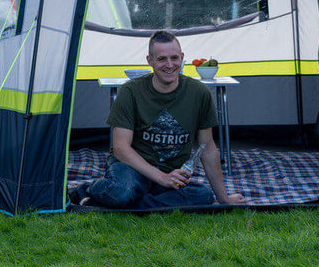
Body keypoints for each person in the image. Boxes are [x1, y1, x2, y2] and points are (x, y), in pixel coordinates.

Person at [70, 30, 246, 209]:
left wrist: (224, 198)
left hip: (170, 175)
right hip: (132, 169)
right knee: (122, 192)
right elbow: (120, 149)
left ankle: (134, 203)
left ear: (182, 58)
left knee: (203, 196)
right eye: (162, 59)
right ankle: (85, 190)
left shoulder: (199, 93)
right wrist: (162, 177)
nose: (170, 65)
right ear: (150, 61)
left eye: (174, 58)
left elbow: (207, 148)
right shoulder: (130, 92)